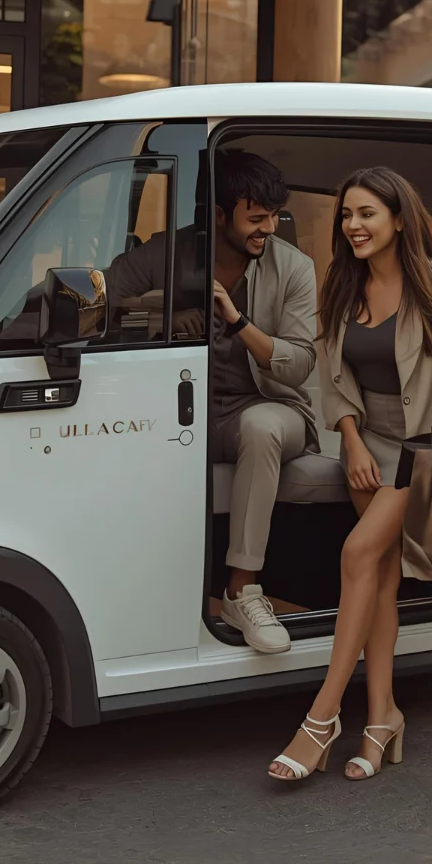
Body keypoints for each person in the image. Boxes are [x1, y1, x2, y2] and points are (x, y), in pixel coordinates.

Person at [268, 167, 432, 782]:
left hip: (423, 451)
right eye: (347, 215)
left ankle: (321, 719)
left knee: (356, 553)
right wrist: (349, 442)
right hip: (366, 449)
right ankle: (382, 720)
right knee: (381, 582)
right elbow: (332, 379)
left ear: (399, 218)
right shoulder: (343, 286)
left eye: (366, 213)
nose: (352, 225)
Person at [105, 149, 318, 654]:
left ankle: (242, 590)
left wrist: (239, 322)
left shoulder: (295, 268)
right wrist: (167, 314)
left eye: (273, 217)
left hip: (271, 407)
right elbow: (103, 295)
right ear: (219, 215)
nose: (266, 228)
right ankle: (139, 587)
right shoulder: (169, 252)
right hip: (185, 409)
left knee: (262, 426)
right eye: (255, 218)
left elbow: (300, 362)